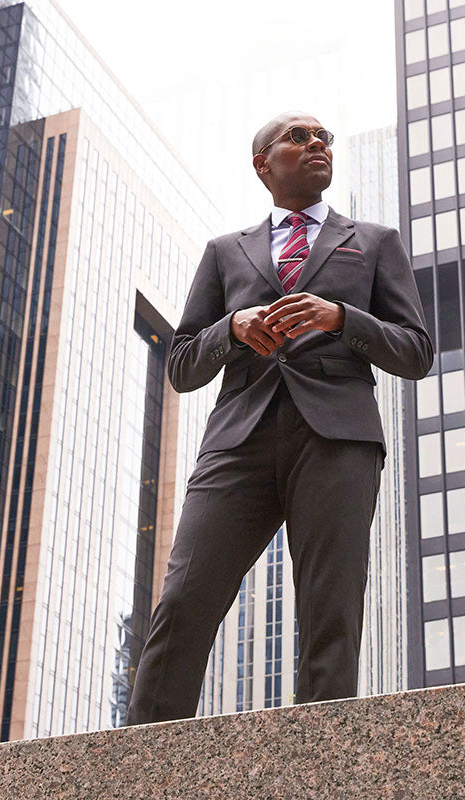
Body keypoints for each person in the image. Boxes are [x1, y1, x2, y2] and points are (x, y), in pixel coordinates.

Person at [127, 111, 433, 724]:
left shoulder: (373, 242)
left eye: (325, 137)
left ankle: (317, 761)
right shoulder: (224, 252)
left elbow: (416, 352)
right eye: (299, 136)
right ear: (263, 164)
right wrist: (232, 329)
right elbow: (183, 365)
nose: (317, 143)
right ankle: (138, 761)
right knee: (184, 600)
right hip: (237, 439)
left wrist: (341, 318)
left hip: (337, 436)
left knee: (330, 610)